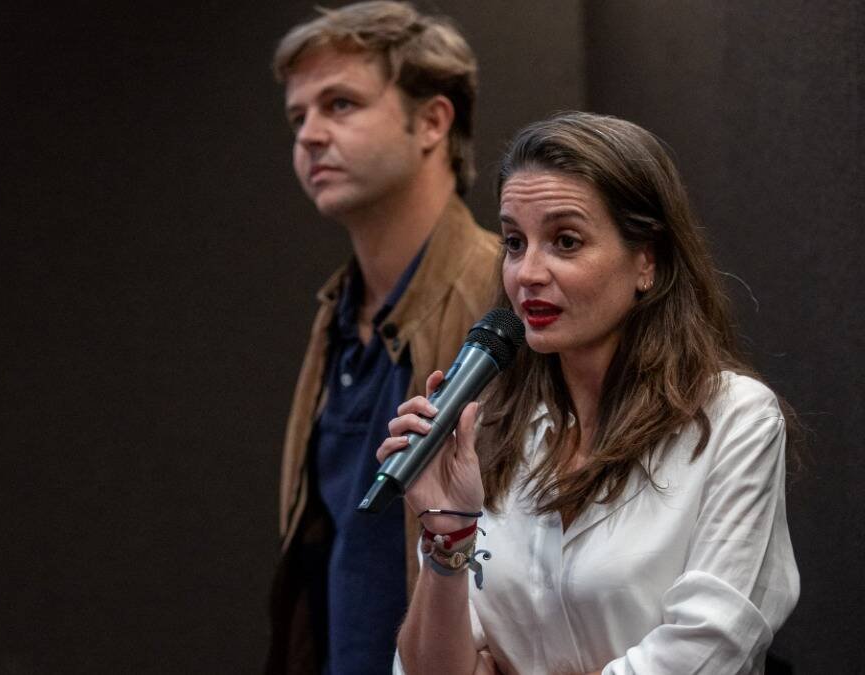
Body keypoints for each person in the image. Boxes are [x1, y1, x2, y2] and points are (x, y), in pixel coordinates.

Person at [378, 111, 800, 674]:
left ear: (646, 260)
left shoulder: (734, 419)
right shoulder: (490, 432)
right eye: (514, 242)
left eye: (566, 241)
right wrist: (448, 534)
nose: (527, 272)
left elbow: (707, 652)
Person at [266, 3, 501, 673]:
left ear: (432, 121)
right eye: (298, 117)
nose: (309, 135)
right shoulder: (336, 316)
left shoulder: (506, 301)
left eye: (339, 105)